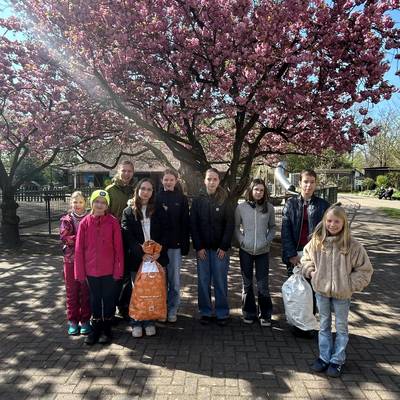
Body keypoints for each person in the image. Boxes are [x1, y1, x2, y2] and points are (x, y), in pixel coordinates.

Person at [301, 204, 373, 377]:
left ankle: (337, 359)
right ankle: (324, 357)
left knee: (341, 327)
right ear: (324, 221)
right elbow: (305, 258)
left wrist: (349, 284)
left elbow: (365, 270)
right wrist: (311, 272)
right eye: (329, 221)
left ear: (344, 223)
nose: (332, 225)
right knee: (323, 325)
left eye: (337, 221)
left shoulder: (352, 245)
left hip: (342, 295)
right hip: (322, 292)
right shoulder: (317, 241)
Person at [281, 169, 330, 337]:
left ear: (316, 184)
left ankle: (309, 325)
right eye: (305, 182)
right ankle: (296, 323)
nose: (308, 185)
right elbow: (285, 231)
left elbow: (328, 232)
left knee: (312, 291)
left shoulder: (323, 205)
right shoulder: (290, 204)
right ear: (300, 183)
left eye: (312, 182)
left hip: (314, 255)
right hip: (295, 254)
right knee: (296, 291)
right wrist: (291, 254)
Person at [74, 190, 124, 345]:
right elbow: (79, 249)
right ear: (92, 203)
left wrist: (118, 270)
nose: (100, 205)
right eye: (97, 201)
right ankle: (95, 329)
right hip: (91, 271)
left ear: (107, 205)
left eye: (103, 203)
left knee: (108, 299)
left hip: (109, 270)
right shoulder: (85, 223)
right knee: (95, 299)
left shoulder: (113, 222)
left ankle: (107, 329)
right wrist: (80, 272)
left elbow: (118, 248)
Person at [121, 178, 169, 337]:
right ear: (137, 190)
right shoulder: (128, 211)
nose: (145, 192)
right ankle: (136, 321)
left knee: (152, 292)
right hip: (138, 259)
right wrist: (141, 253)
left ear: (153, 192)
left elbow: (166, 232)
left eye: (149, 189)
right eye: (143, 188)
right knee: (137, 291)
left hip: (156, 258)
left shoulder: (159, 210)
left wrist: (158, 251)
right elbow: (127, 235)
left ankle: (149, 321)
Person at [190, 168, 235, 326]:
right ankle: (206, 312)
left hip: (219, 250)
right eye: (209, 179)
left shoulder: (225, 200)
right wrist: (198, 247)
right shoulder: (198, 200)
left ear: (219, 181)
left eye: (215, 179)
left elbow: (230, 224)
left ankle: (222, 312)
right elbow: (193, 225)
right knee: (203, 281)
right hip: (203, 249)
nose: (212, 182)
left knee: (220, 281)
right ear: (205, 180)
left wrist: (224, 246)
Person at [235, 179, 276, 327]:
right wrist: (242, 241)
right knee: (247, 284)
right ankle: (249, 312)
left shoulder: (269, 207)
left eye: (261, 190)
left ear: (264, 192)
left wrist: (267, 241)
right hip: (245, 250)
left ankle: (265, 314)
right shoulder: (241, 207)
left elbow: (273, 227)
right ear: (251, 190)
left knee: (262, 284)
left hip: (262, 251)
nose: (259, 192)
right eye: (256, 189)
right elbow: (236, 227)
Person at [155, 169, 190, 323]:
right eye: (166, 179)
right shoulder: (156, 197)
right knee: (161, 281)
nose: (168, 182)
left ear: (176, 181)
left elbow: (185, 222)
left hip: (175, 246)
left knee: (174, 282)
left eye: (171, 180)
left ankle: (173, 309)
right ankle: (161, 308)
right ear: (162, 180)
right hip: (159, 247)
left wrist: (185, 244)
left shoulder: (182, 199)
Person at [105, 160, 135, 320]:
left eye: (129, 171)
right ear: (118, 171)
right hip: (113, 238)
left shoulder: (135, 190)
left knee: (128, 274)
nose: (126, 174)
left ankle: (124, 307)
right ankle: (111, 308)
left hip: (131, 238)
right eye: (124, 170)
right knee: (114, 274)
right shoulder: (109, 191)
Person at [60, 191, 91, 336]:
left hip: (87, 261)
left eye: (80, 202)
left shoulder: (90, 218)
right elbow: (65, 237)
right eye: (75, 202)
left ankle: (85, 320)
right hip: (70, 260)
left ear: (85, 202)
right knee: (71, 291)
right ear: (70, 203)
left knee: (85, 291)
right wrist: (82, 239)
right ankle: (73, 321)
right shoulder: (66, 220)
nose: (77, 205)